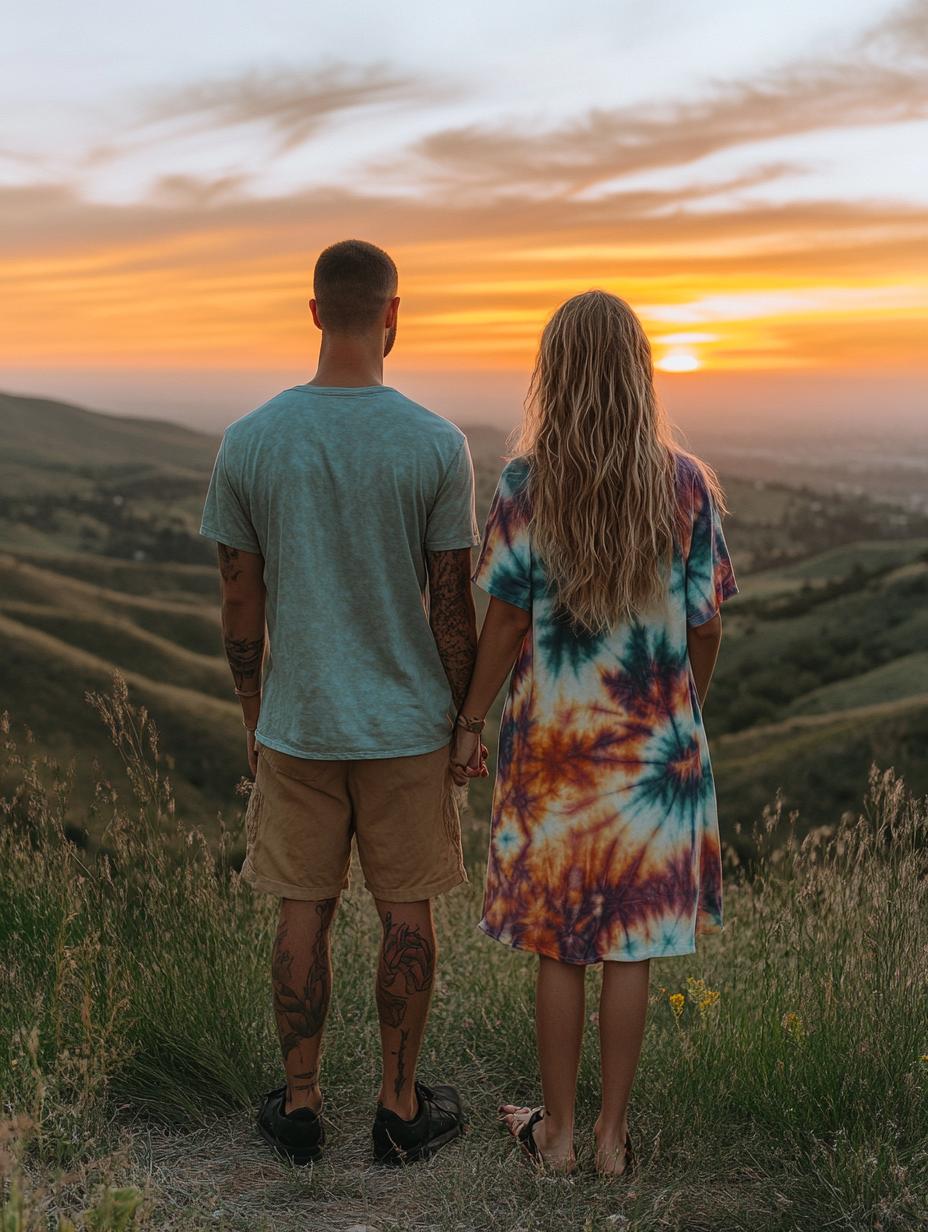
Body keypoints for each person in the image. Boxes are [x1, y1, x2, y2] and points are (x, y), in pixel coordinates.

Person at [201, 239, 479, 1166]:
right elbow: (451, 609)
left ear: (314, 312)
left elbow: (242, 597)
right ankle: (399, 1110)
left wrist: (252, 708)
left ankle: (303, 1106)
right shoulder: (438, 444)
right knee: (407, 914)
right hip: (406, 726)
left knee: (302, 907)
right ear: (394, 314)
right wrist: (466, 719)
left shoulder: (251, 441)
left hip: (299, 721)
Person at [449, 290, 737, 1174]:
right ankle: (612, 1142)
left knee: (561, 942)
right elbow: (707, 625)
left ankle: (560, 1138)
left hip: (552, 752)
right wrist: (682, 709)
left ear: (555, 376)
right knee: (630, 942)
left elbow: (501, 623)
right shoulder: (685, 484)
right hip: (658, 751)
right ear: (638, 374)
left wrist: (469, 722)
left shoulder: (526, 487)